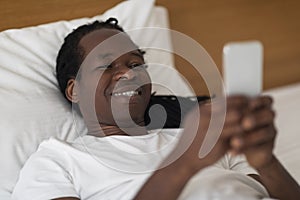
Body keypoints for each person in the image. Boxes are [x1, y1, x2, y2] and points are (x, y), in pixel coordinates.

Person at [12, 18, 300, 200]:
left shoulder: (198, 136)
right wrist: (184, 164)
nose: (128, 74)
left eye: (136, 64)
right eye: (107, 65)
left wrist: (265, 161)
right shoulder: (58, 159)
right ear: (75, 90)